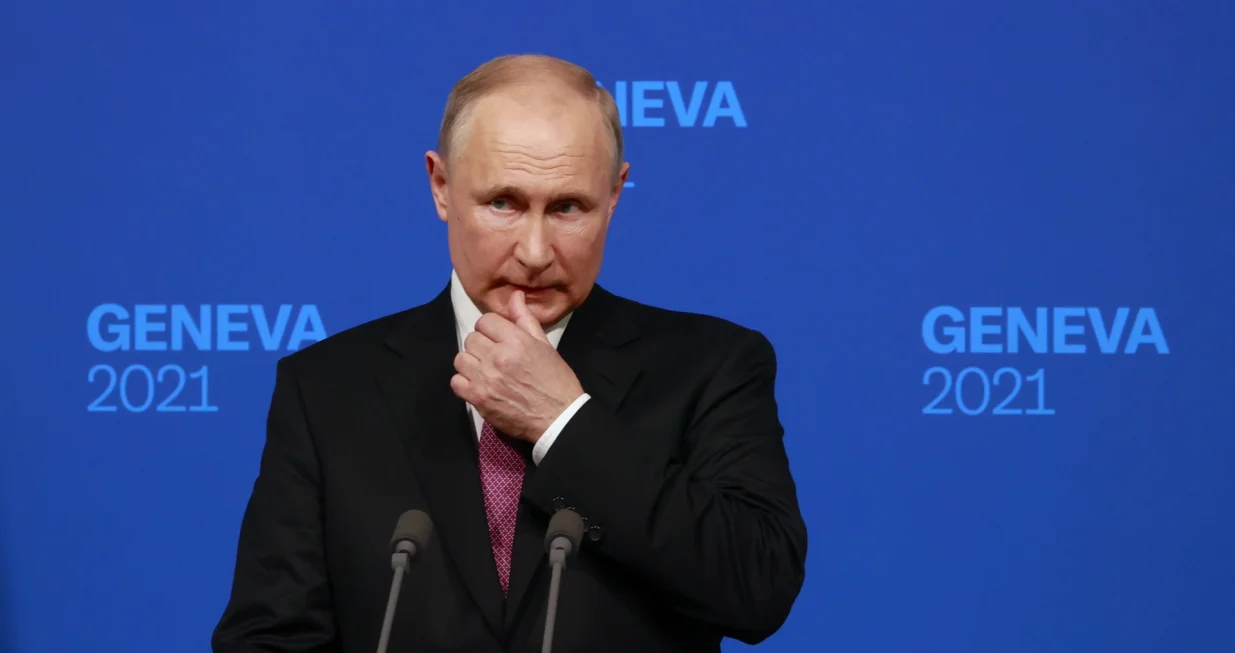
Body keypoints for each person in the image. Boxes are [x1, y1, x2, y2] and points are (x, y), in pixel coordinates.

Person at [211, 53, 807, 653]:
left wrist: (562, 423)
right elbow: (270, 638)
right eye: (503, 203)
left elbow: (759, 587)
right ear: (441, 186)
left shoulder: (712, 366)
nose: (536, 251)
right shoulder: (327, 389)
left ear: (615, 194)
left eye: (568, 207)